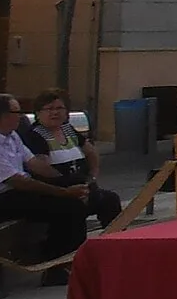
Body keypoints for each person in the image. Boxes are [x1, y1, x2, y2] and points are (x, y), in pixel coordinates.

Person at [0, 94, 89, 279]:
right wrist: (64, 192)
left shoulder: (11, 135)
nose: (21, 116)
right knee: (68, 206)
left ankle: (77, 259)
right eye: (17, 112)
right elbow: (19, 182)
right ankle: (56, 268)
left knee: (75, 188)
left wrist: (66, 182)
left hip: (14, 191)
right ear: (4, 116)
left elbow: (34, 163)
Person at [17, 89, 121, 229]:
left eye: (59, 108)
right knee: (75, 209)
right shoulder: (35, 135)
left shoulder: (68, 129)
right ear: (38, 113)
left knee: (110, 200)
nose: (55, 112)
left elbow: (91, 152)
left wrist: (93, 176)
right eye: (49, 109)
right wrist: (70, 186)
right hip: (58, 191)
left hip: (83, 187)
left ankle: (112, 241)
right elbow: (42, 169)